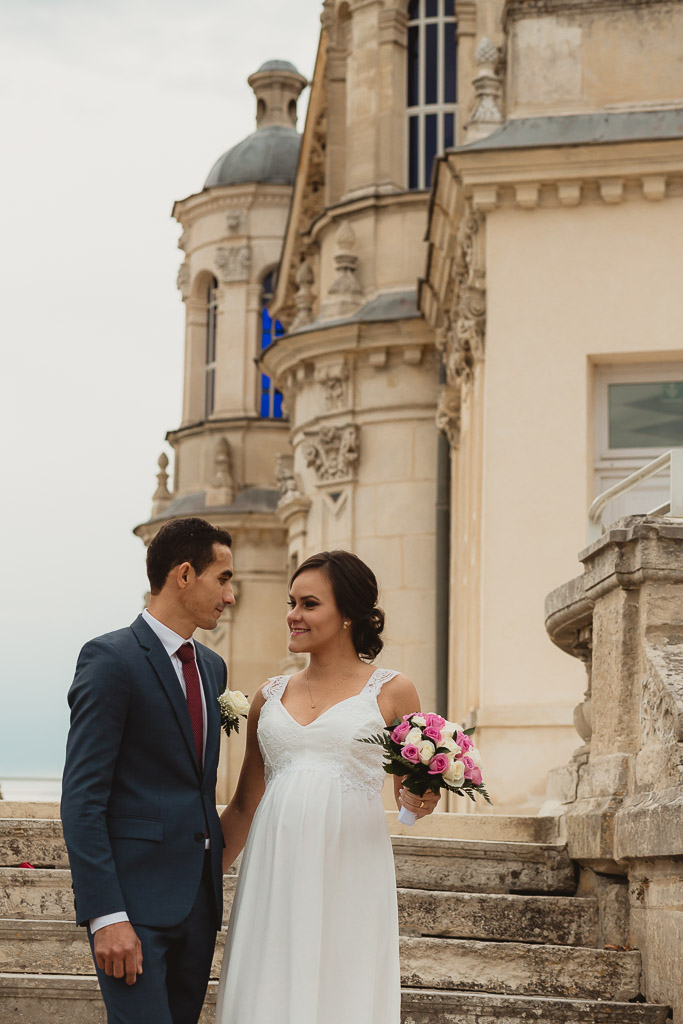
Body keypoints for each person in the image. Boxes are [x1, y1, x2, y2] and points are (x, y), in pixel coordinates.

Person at [215, 549, 439, 1024]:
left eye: (309, 604)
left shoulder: (392, 690)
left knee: (343, 987)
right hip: (272, 872)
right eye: (291, 603)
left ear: (349, 615)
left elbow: (411, 801)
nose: (293, 615)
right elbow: (243, 807)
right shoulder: (268, 696)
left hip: (349, 869)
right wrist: (198, 876)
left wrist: (426, 792)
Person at [60, 516, 235, 1024]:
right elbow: (83, 798)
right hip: (132, 911)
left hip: (198, 909)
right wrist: (107, 916)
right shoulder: (110, 659)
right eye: (222, 578)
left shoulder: (213, 668)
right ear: (184, 575)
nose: (229, 596)